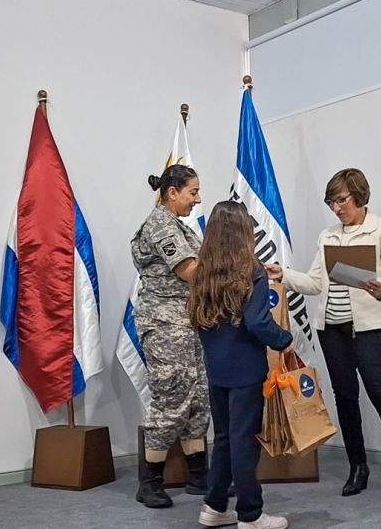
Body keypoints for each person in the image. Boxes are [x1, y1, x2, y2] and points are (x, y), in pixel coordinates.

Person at [266, 168, 381, 503]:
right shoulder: (328, 236)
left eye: (342, 200)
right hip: (332, 328)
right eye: (332, 203)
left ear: (359, 194)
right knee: (345, 397)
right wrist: (285, 275)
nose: (337, 208)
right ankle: (358, 468)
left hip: (368, 327)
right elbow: (315, 282)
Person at [189, 201, 293, 529]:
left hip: (216, 368)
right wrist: (284, 340)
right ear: (245, 231)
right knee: (244, 440)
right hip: (246, 369)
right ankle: (250, 514)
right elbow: (258, 322)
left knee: (223, 438)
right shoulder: (253, 271)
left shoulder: (202, 272)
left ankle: (215, 506)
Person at [131, 164, 210, 509]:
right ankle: (149, 482)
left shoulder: (179, 226)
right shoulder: (161, 224)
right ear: (172, 192)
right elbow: (188, 270)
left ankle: (199, 476)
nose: (198, 199)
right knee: (171, 398)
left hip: (189, 323)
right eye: (193, 192)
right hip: (164, 325)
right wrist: (232, 268)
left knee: (197, 398)